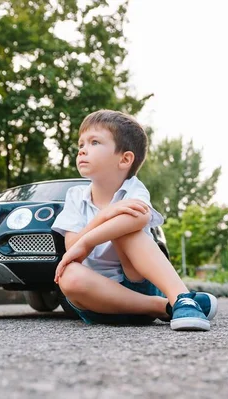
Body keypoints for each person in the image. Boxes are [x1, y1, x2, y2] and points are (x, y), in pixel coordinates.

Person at [51, 110, 217, 331]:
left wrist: (90, 239)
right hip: (99, 301)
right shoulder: (75, 196)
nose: (82, 150)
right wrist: (104, 215)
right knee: (69, 276)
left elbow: (141, 216)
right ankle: (166, 306)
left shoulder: (133, 188)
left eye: (94, 142)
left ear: (125, 159)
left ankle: (181, 297)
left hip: (137, 283)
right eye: (81, 144)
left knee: (128, 224)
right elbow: (73, 249)